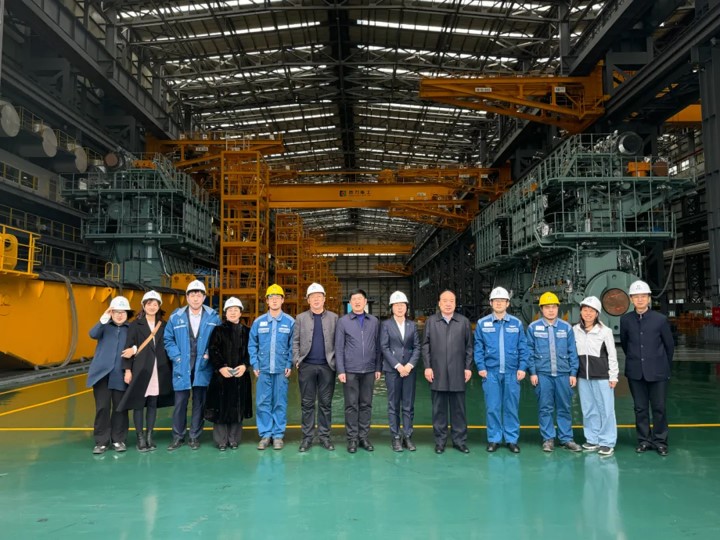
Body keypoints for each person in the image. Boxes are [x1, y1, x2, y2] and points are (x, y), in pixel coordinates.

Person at [164, 279, 221, 451]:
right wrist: (177, 357)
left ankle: (194, 436)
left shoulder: (213, 317)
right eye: (192, 295)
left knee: (199, 402)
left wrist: (210, 354)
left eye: (199, 295)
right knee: (180, 402)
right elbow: (168, 339)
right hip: (182, 365)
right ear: (187, 297)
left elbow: (218, 339)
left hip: (203, 365)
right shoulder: (176, 317)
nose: (196, 298)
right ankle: (178, 436)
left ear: (204, 297)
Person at [620, 280, 674, 456]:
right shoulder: (626, 320)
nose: (640, 299)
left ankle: (660, 441)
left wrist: (663, 366)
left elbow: (669, 346)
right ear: (631, 299)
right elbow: (626, 344)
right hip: (636, 372)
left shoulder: (660, 320)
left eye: (643, 296)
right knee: (640, 408)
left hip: (658, 372)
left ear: (649, 298)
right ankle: (644, 440)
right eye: (636, 296)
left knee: (659, 407)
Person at [473, 287, 528, 454]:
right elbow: (478, 348)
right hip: (491, 372)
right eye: (495, 301)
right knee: (493, 407)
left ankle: (511, 439)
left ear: (508, 303)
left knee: (511, 407)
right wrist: (481, 367)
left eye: (502, 301)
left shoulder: (516, 323)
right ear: (491, 303)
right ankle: (494, 439)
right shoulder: (483, 324)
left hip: (512, 372)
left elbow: (523, 347)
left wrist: (522, 367)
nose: (499, 303)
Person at [118, 291, 173, 452]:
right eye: (149, 304)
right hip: (141, 369)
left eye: (155, 304)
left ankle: (149, 436)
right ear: (143, 305)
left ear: (159, 306)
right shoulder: (135, 325)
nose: (152, 307)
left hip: (159, 369)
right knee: (138, 404)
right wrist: (127, 370)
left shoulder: (164, 325)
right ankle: (140, 438)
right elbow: (128, 347)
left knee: (152, 403)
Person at [527, 292, 581, 452]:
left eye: (553, 307)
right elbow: (529, 351)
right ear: (541, 309)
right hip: (543, 375)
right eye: (547, 307)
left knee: (564, 407)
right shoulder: (533, 328)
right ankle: (548, 438)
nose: (551, 310)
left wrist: (573, 373)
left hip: (563, 374)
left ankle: (566, 438)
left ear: (558, 308)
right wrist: (533, 372)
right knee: (545, 408)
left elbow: (573, 352)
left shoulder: (566, 328)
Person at [422, 290, 473, 454]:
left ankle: (460, 441)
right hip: (437, 372)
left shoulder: (463, 322)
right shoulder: (431, 322)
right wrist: (427, 367)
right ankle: (440, 441)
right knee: (439, 410)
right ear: (439, 303)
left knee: (459, 410)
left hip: (458, 372)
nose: (448, 304)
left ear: (455, 303)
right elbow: (425, 346)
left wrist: (467, 368)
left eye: (451, 300)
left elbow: (469, 347)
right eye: (445, 300)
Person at [293, 282, 338, 452]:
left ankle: (325, 437)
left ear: (324, 299)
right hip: (307, 366)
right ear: (308, 300)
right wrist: (297, 360)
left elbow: (339, 342)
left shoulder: (334, 318)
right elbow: (295, 341)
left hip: (327, 367)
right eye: (313, 297)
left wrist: (336, 362)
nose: (316, 299)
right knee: (307, 404)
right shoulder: (300, 318)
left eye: (319, 296)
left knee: (325, 404)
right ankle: (307, 438)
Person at [249, 284, 295, 450]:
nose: (274, 300)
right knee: (263, 402)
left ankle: (278, 435)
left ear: (282, 300)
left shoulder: (290, 322)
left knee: (280, 402)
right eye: (271, 298)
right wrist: (255, 363)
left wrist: (289, 363)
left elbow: (293, 346)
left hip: (281, 370)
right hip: (263, 369)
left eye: (277, 297)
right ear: (267, 301)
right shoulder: (258, 322)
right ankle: (265, 434)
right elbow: (252, 344)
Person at [335, 289, 381, 453]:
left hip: (369, 370)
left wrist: (378, 367)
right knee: (351, 405)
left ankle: (364, 437)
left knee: (366, 405)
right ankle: (352, 439)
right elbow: (339, 347)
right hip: (350, 370)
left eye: (360, 298)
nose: (357, 301)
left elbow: (378, 346)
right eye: (353, 299)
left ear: (365, 301)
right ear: (350, 303)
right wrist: (341, 370)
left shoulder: (374, 321)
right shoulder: (343, 322)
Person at [205, 297, 253, 451]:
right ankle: (221, 440)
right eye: (230, 310)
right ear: (225, 313)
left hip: (240, 376)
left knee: (237, 407)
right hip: (221, 376)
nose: (233, 312)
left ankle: (234, 439)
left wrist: (245, 365)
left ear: (240, 312)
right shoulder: (218, 330)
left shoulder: (247, 331)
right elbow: (213, 350)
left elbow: (252, 351)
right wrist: (221, 367)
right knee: (221, 407)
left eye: (236, 310)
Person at [573, 296, 618, 457]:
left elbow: (612, 354)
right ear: (581, 312)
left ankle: (607, 442)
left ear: (597, 313)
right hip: (583, 376)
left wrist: (613, 376)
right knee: (588, 409)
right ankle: (592, 439)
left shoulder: (605, 331)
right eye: (585, 310)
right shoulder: (575, 330)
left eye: (592, 310)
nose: (588, 313)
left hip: (602, 376)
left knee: (606, 409)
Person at [86, 296, 132, 454]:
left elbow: (137, 346)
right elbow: (92, 334)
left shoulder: (130, 329)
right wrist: (103, 318)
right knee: (102, 408)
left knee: (120, 408)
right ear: (111, 313)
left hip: (121, 374)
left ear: (127, 313)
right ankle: (101, 441)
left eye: (123, 312)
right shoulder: (104, 327)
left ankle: (118, 440)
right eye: (116, 312)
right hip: (102, 375)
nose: (119, 315)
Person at [380, 291, 420, 452]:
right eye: (396, 305)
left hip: (409, 370)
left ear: (406, 307)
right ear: (391, 307)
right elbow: (384, 347)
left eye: (402, 305)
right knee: (394, 405)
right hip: (392, 370)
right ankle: (396, 437)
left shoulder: (412, 325)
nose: (399, 307)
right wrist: (398, 366)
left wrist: (409, 365)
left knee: (408, 405)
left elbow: (417, 347)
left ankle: (407, 436)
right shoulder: (386, 325)